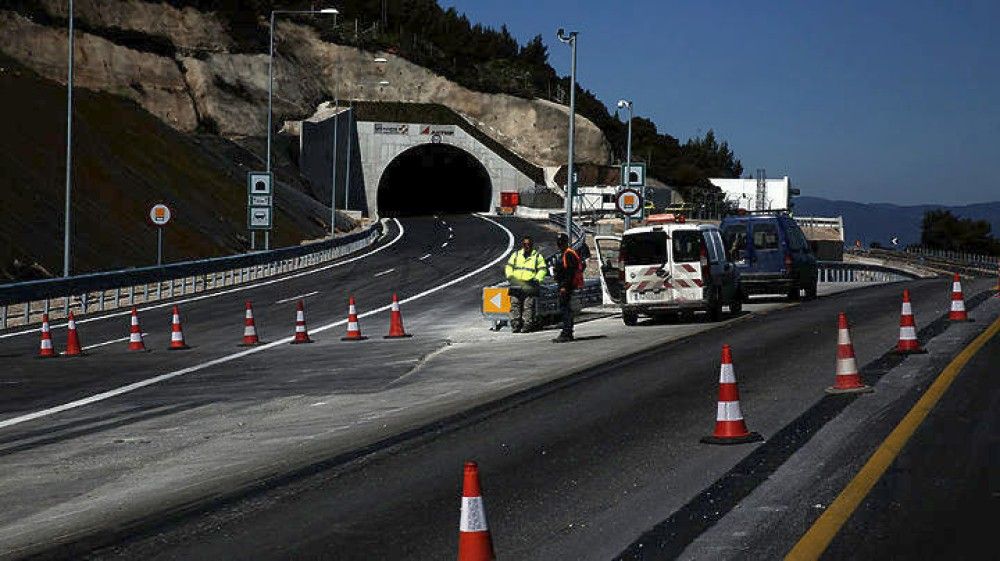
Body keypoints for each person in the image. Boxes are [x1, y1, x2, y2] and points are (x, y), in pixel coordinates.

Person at [504, 235, 547, 333]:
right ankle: (515, 324)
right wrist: (510, 276)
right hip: (516, 284)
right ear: (522, 245)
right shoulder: (516, 255)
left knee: (528, 306)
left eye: (529, 244)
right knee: (515, 304)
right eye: (525, 244)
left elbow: (543, 269)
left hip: (530, 284)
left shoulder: (537, 256)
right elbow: (509, 267)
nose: (526, 246)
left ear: (532, 245)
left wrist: (537, 279)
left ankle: (527, 324)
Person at [552, 232, 581, 343]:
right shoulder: (563, 253)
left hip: (566, 286)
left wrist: (564, 286)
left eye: (561, 242)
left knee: (566, 309)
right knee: (564, 308)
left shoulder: (568, 254)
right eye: (558, 243)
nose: (559, 245)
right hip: (563, 285)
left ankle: (567, 332)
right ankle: (566, 331)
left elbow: (570, 272)